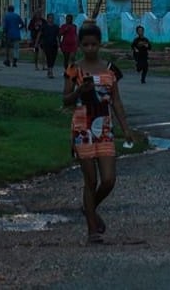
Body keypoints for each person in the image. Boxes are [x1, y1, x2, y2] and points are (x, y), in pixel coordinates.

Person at [62, 22, 133, 244]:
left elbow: (117, 101)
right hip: (82, 128)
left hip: (104, 128)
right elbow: (65, 100)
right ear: (80, 45)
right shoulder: (74, 69)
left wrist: (126, 128)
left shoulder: (111, 69)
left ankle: (89, 207)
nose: (90, 48)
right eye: (86, 45)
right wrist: (78, 93)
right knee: (90, 180)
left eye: (94, 44)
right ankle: (92, 229)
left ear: (100, 44)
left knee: (109, 179)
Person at [40, 13, 60, 78]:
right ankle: (50, 71)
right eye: (50, 18)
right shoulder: (44, 26)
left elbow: (58, 36)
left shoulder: (56, 27)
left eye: (52, 18)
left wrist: (59, 43)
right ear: (47, 19)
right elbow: (40, 34)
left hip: (54, 44)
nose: (51, 19)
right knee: (49, 57)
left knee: (53, 57)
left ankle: (50, 69)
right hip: (47, 44)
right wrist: (37, 43)